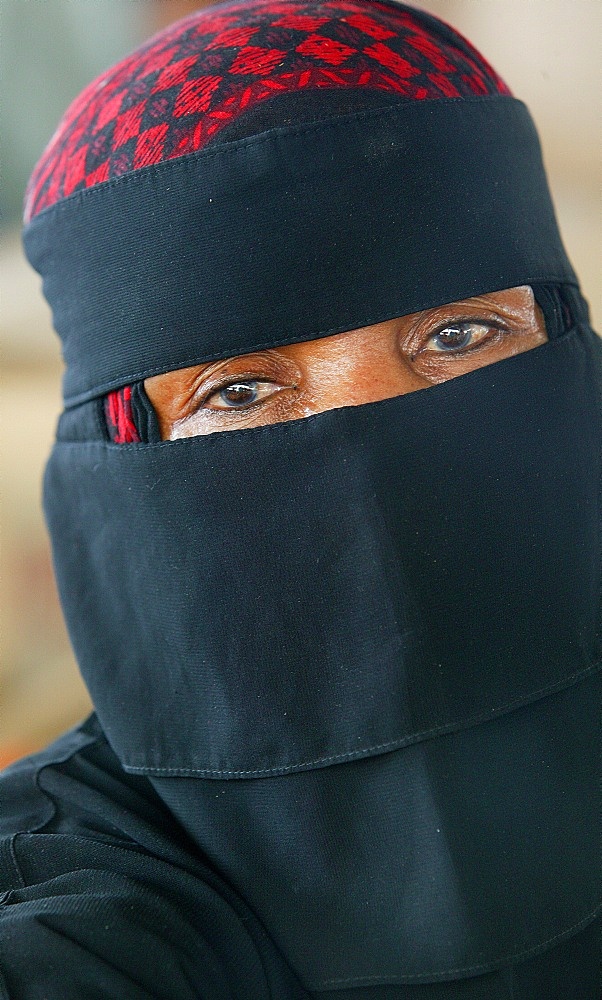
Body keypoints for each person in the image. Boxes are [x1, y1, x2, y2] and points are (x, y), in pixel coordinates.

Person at [1, 1, 600, 997]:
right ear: (122, 465)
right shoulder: (77, 893)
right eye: (237, 393)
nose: (376, 492)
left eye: (457, 338)